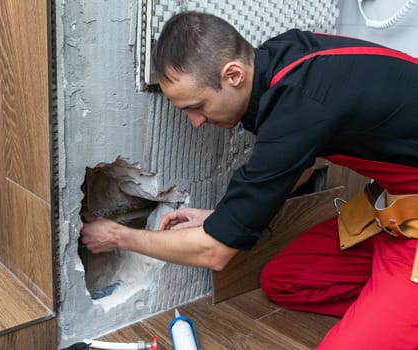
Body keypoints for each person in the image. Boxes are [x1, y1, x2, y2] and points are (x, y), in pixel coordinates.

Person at [80, 11, 418, 349]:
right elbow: (295, 166)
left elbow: (215, 253)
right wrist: (223, 215)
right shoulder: (276, 67)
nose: (195, 121)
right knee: (284, 281)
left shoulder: (297, 107)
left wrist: (118, 237)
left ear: (233, 75)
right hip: (396, 203)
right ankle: (390, 306)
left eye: (197, 106)